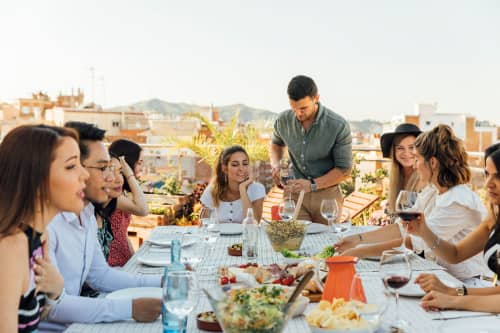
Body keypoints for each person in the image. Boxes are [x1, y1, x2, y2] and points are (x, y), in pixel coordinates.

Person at [40, 122, 161, 332]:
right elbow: (50, 306)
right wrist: (129, 308)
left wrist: (163, 280)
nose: (113, 177)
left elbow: (100, 276)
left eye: (112, 168)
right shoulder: (46, 225)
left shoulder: (86, 213)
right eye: (103, 168)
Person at [336, 125, 490, 285]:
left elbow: (413, 242)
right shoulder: (432, 190)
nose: (414, 165)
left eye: (417, 158)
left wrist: (358, 252)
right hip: (441, 275)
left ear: (433, 162)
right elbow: (402, 227)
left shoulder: (457, 201)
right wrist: (357, 239)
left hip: (468, 283)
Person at [0, 125, 88, 333]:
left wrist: (55, 290)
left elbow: (29, 318)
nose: (85, 174)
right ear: (36, 180)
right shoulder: (10, 247)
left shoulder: (37, 238)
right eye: (71, 166)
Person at [406, 143, 500, 313]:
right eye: (487, 174)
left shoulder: (458, 198)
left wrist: (453, 300)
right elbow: (455, 254)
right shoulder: (494, 216)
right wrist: (424, 232)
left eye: (498, 176)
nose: (488, 184)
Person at [270, 75, 352, 224]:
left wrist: (312, 184)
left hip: (327, 197)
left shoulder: (338, 125)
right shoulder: (283, 120)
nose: (298, 113)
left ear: (316, 98)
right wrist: (276, 165)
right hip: (293, 195)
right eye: (293, 108)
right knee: (294, 242)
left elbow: (344, 170)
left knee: (326, 244)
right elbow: (276, 144)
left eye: (303, 108)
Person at [107, 139, 147, 266]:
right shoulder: (110, 193)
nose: (142, 167)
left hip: (125, 261)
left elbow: (123, 234)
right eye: (139, 163)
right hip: (112, 265)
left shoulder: (120, 192)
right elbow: (143, 210)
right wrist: (129, 173)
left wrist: (133, 259)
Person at [200, 145, 266, 222]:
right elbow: (203, 224)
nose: (241, 169)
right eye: (235, 165)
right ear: (225, 169)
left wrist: (242, 189)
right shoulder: (212, 191)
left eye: (245, 164)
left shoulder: (257, 189)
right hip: (217, 234)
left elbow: (254, 223)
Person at [380, 123, 422, 214]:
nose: (406, 153)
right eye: (400, 148)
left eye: (411, 147)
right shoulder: (396, 177)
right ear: (394, 151)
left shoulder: (424, 179)